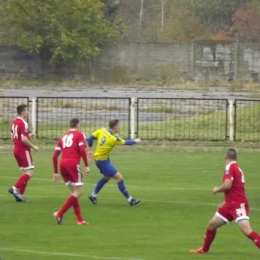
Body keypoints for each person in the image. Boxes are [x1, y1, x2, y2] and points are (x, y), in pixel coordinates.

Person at [190, 148, 260, 254]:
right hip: (230, 203)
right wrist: (225, 201)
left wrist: (217, 189)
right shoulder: (236, 167)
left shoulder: (230, 167)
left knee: (246, 229)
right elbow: (235, 187)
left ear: (225, 157)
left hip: (237, 204)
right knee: (212, 224)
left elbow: (228, 185)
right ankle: (204, 250)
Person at [87, 119, 141, 206]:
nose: (119, 127)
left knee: (107, 177)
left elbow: (90, 138)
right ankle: (130, 200)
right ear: (115, 127)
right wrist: (136, 141)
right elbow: (127, 142)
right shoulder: (113, 139)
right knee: (119, 178)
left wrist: (90, 150)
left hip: (102, 160)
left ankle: (93, 195)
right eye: (118, 125)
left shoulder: (101, 130)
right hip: (102, 162)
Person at [52, 118, 90, 225]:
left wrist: (55, 172)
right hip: (72, 164)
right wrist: (86, 165)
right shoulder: (79, 134)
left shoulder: (63, 137)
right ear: (78, 125)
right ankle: (60, 213)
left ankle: (79, 219)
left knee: (74, 194)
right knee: (79, 192)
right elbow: (82, 150)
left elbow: (54, 156)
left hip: (62, 164)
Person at [9, 104, 38, 202]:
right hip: (23, 150)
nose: (28, 112)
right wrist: (34, 147)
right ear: (22, 112)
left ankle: (20, 195)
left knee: (25, 173)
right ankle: (14, 188)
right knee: (30, 173)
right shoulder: (23, 123)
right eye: (26, 110)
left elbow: (14, 137)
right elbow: (24, 139)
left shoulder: (14, 122)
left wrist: (29, 136)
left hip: (16, 149)